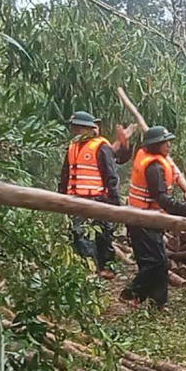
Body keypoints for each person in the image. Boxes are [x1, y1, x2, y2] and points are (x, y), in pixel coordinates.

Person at [126, 125, 186, 308]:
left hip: (145, 218)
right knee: (157, 262)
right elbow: (162, 198)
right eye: (165, 143)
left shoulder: (150, 158)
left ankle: (158, 302)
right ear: (155, 145)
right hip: (143, 220)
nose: (169, 146)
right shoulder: (154, 167)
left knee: (152, 262)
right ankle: (132, 293)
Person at [58, 111, 121, 278]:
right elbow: (66, 173)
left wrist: (114, 202)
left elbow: (111, 176)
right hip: (76, 199)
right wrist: (60, 196)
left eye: (78, 128)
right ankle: (89, 270)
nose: (75, 131)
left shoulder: (101, 147)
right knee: (80, 234)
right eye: (74, 128)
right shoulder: (72, 147)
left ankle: (106, 267)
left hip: (98, 198)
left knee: (103, 234)